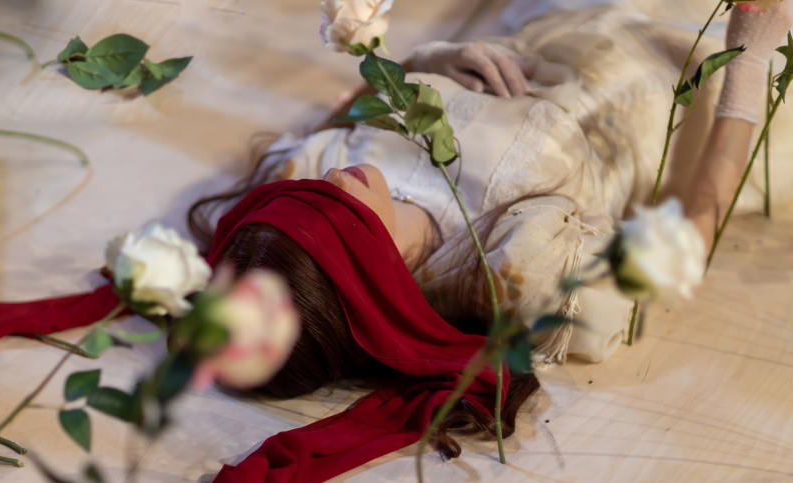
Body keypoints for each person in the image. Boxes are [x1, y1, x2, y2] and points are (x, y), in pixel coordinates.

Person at [188, 1, 792, 392]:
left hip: (568, 20)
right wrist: (749, 65)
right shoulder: (510, 267)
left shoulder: (317, 173)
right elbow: (689, 241)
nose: (331, 185)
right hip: (687, 86)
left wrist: (428, 61)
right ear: (364, 275)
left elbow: (351, 110)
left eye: (302, 198)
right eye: (331, 214)